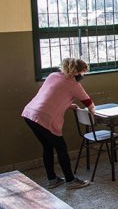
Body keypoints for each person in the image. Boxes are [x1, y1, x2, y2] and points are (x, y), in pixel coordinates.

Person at [22, 58, 95, 190]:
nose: (82, 76)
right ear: (76, 72)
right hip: (43, 118)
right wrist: (95, 112)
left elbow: (51, 96)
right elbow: (89, 103)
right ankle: (70, 180)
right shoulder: (74, 85)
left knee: (47, 147)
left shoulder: (52, 76)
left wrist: (68, 104)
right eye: (83, 73)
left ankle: (52, 179)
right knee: (61, 148)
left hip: (30, 114)